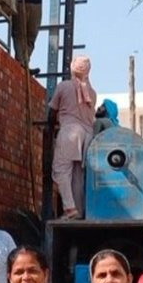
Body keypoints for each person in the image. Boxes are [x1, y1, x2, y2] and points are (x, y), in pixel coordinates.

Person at [50, 55, 97, 219]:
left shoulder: (63, 87)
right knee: (78, 176)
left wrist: (50, 130)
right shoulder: (92, 92)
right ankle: (78, 211)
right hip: (87, 135)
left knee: (61, 171)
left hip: (70, 132)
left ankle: (69, 208)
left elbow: (52, 111)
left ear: (72, 68)